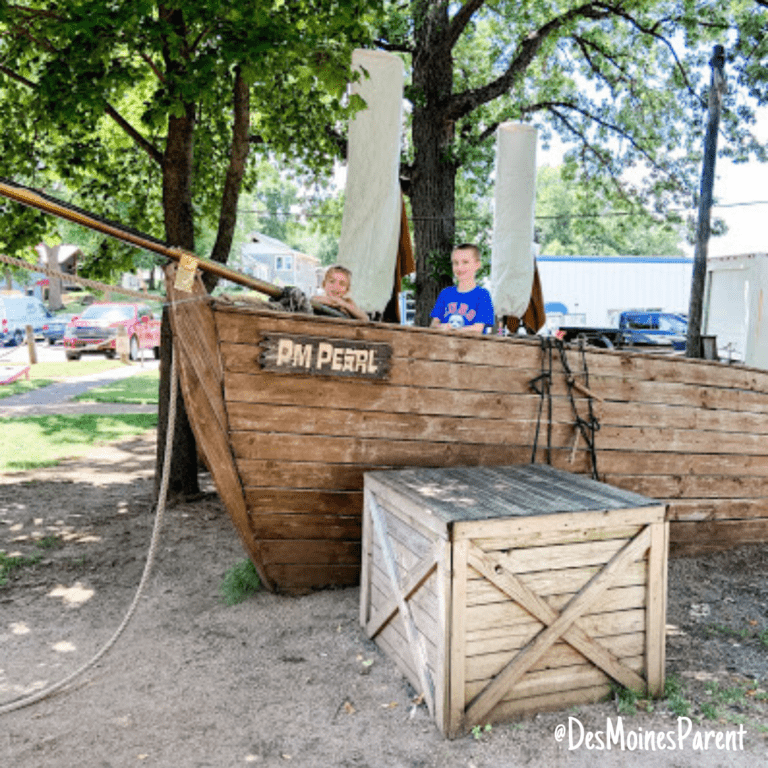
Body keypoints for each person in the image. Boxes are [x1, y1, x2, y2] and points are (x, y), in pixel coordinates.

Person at [430, 244, 494, 333]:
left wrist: (453, 330)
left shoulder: (483, 295)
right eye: (455, 263)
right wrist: (442, 326)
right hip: (444, 342)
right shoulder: (445, 293)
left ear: (477, 265)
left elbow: (478, 329)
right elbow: (433, 325)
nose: (459, 268)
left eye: (465, 262)